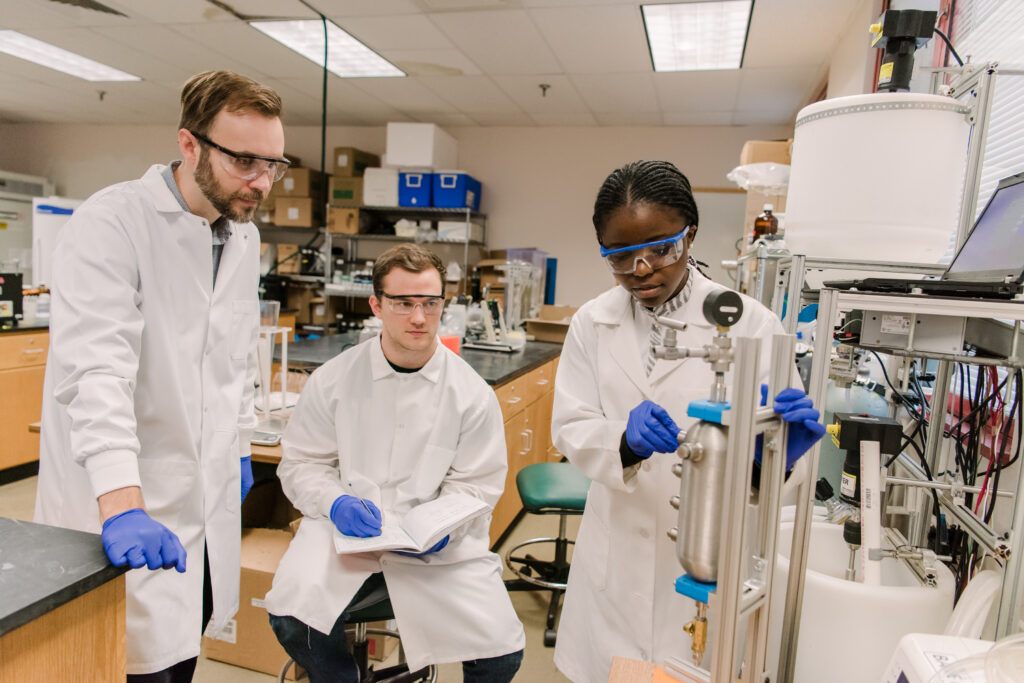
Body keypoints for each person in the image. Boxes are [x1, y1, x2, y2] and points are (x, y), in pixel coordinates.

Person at [34, 70, 288, 681]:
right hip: (126, 504)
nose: (261, 182)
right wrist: (122, 503)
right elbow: (96, 374)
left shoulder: (243, 234)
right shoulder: (112, 224)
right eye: (245, 161)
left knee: (180, 658)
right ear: (190, 144)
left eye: (274, 164)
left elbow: (229, 356)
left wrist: (238, 441)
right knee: (127, 663)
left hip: (205, 506)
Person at [551, 160, 827, 682]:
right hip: (615, 555)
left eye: (661, 248)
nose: (642, 269)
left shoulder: (752, 324)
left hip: (709, 555)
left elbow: (773, 463)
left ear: (690, 235)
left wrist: (774, 460)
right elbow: (569, 424)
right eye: (620, 256)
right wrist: (623, 444)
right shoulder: (592, 322)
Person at [265, 243, 525, 682]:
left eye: (430, 303)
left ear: (444, 303)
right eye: (403, 303)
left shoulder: (471, 394)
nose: (419, 318)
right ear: (376, 305)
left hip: (437, 550)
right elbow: (301, 465)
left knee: (503, 654)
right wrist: (334, 504)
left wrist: (443, 527)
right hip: (344, 533)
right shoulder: (334, 380)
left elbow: (477, 486)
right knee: (291, 617)